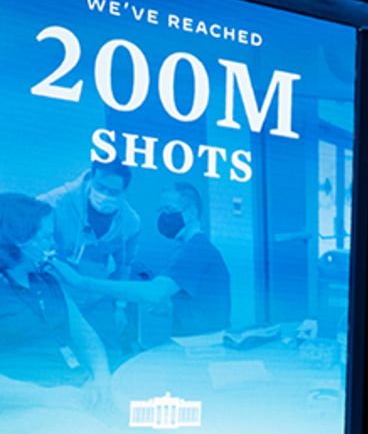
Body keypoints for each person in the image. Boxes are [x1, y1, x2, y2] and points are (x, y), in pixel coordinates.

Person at [52, 184, 231, 339]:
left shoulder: (195, 249)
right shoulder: (192, 249)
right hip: (199, 340)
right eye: (160, 210)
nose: (162, 216)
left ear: (191, 212)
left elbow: (156, 292)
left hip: (203, 345)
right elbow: (203, 304)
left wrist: (83, 282)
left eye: (168, 209)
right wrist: (170, 307)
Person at [0, 193, 111, 410]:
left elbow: (86, 336)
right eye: (46, 237)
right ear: (18, 241)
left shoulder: (47, 279)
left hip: (78, 389)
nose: (53, 243)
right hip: (29, 404)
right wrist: (42, 398)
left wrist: (102, 378)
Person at [39, 162, 141, 359]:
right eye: (101, 187)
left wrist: (120, 307)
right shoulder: (54, 203)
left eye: (113, 191)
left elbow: (124, 266)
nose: (105, 195)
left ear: (124, 192)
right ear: (92, 179)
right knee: (58, 354)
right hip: (57, 293)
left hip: (96, 296)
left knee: (110, 351)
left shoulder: (130, 222)